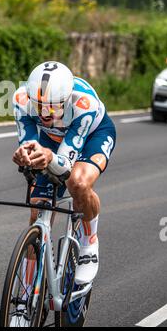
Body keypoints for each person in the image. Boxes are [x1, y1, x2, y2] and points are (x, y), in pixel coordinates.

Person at [12, 61, 116, 289]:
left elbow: (66, 165)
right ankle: (26, 295)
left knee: (77, 183)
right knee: (38, 207)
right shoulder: (21, 100)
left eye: (53, 106)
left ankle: (89, 242)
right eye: (39, 106)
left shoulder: (84, 103)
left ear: (66, 100)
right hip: (53, 138)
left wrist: (49, 158)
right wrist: (26, 155)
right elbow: (29, 143)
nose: (45, 113)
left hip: (91, 136)